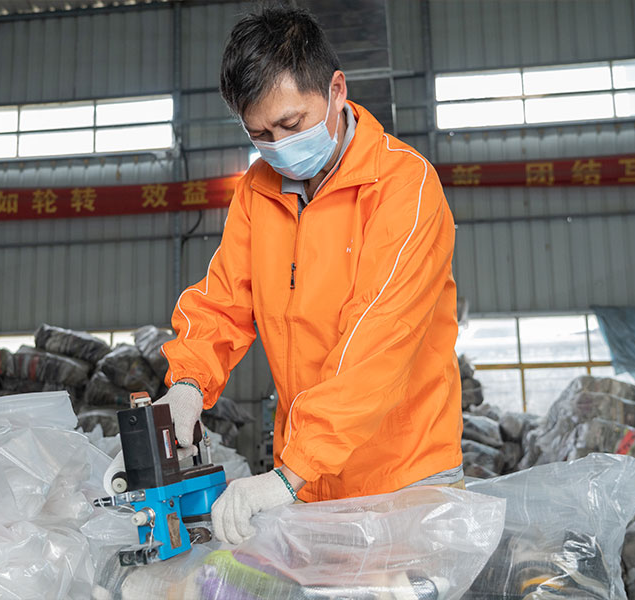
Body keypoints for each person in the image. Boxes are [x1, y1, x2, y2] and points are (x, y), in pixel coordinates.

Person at [147, 5, 463, 545]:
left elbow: (377, 345)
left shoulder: (403, 188)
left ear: (336, 90)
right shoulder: (257, 190)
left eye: (292, 124)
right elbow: (223, 301)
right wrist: (185, 385)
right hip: (311, 484)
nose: (279, 147)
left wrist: (288, 475)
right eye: (260, 133)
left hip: (403, 484)